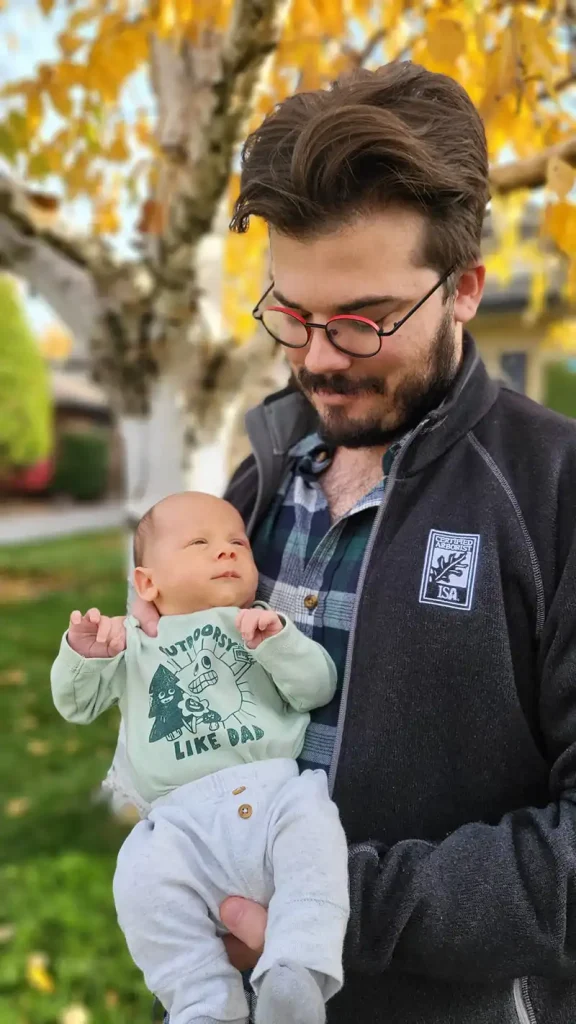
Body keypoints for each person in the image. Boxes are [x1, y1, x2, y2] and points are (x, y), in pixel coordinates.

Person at [105, 61, 576, 1023]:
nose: (319, 357)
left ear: (465, 288)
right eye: (292, 313)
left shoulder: (554, 494)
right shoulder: (258, 480)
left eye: (364, 321)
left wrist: (327, 908)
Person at [51, 492, 349, 1024]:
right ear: (147, 583)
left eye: (238, 542)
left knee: (316, 838)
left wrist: (279, 644)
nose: (227, 552)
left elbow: (318, 687)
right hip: (177, 823)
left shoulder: (259, 624)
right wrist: (86, 655)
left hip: (272, 798)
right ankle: (202, 1003)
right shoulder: (136, 643)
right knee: (139, 878)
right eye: (200, 543)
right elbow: (77, 706)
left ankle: (296, 971)